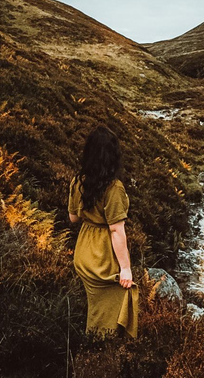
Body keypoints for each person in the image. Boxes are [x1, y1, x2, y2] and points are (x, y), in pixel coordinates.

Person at [68, 126, 138, 338]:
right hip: (101, 256)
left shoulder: (78, 181)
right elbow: (116, 230)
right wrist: (125, 268)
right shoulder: (114, 188)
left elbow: (73, 218)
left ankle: (95, 342)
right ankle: (99, 349)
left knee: (96, 304)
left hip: (83, 252)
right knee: (127, 294)